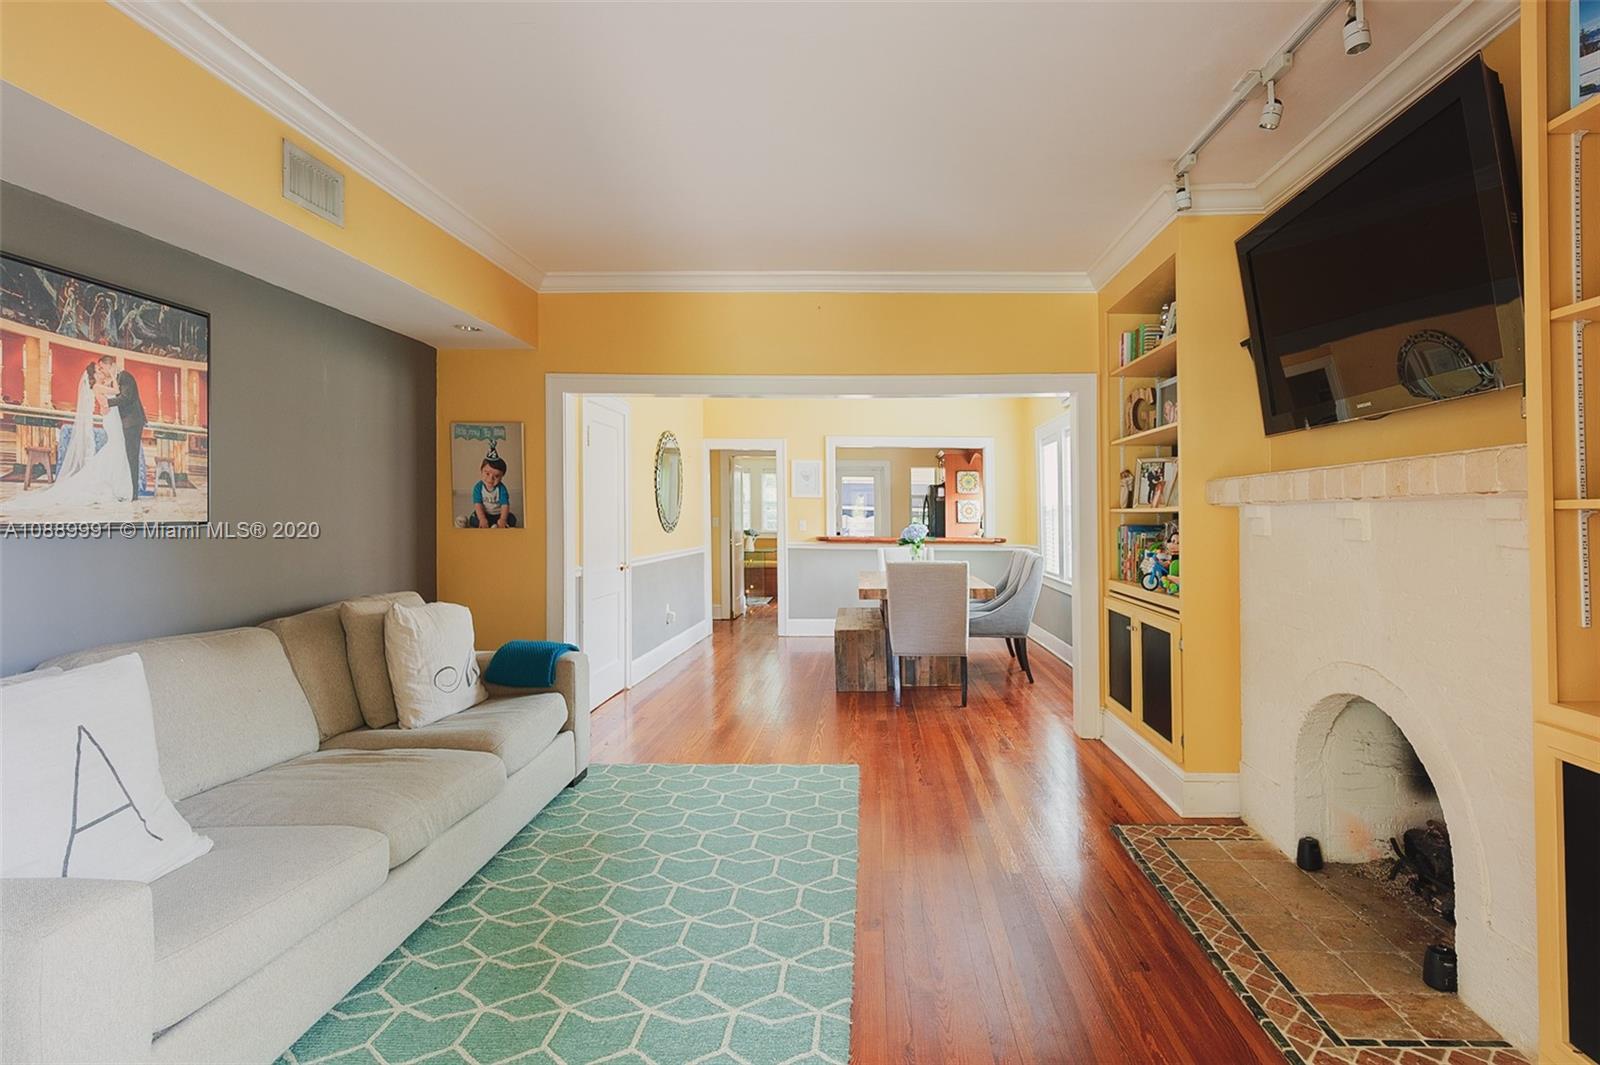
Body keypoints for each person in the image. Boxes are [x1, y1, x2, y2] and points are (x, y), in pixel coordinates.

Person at [7, 358, 131, 511]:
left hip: (112, 420)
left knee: (114, 448)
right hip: (111, 421)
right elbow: (116, 392)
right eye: (98, 370)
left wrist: (110, 378)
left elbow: (110, 397)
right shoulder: (97, 386)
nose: (100, 372)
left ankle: (112, 479)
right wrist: (112, 375)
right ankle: (111, 480)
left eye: (101, 369)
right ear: (93, 375)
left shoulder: (100, 385)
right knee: (115, 447)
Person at [101, 354, 147, 498]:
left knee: (132, 457)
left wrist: (107, 403)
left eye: (103, 368)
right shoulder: (116, 379)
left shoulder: (125, 376)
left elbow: (126, 398)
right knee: (126, 456)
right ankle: (127, 489)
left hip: (132, 422)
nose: (102, 371)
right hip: (126, 422)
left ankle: (133, 493)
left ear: (111, 365)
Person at [468, 443, 516, 528]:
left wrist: (502, 519)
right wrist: (482, 518)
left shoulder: (501, 489)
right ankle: (491, 525)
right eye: (487, 473)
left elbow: (505, 505)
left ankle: (495, 525)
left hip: (498, 514)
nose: (490, 479)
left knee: (512, 519)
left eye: (496, 476)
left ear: (502, 476)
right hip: (485, 513)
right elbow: (478, 504)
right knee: (473, 519)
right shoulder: (478, 488)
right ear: (481, 471)